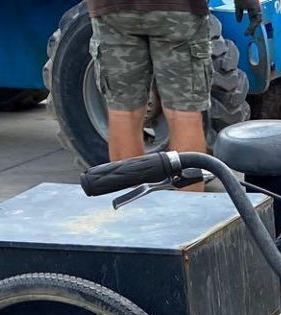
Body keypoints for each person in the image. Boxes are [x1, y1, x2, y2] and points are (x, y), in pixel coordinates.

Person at [89, 0, 210, 183]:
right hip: (179, 11)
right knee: (184, 113)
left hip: (113, 9)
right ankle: (187, 205)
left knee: (124, 113)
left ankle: (133, 205)